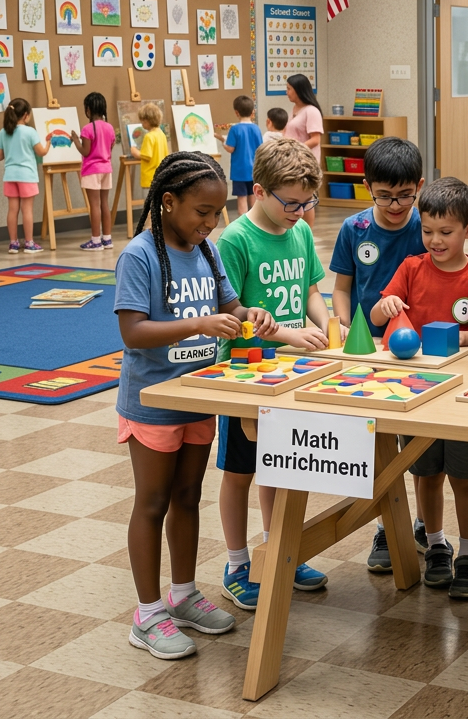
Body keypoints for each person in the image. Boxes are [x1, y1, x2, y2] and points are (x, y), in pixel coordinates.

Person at [115, 151, 276, 660]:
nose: (211, 223)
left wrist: (252, 314)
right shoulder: (139, 255)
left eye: (216, 213)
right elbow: (133, 331)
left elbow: (230, 306)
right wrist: (197, 325)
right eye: (201, 213)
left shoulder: (207, 252)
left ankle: (182, 595)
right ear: (168, 202)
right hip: (152, 405)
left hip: (198, 399)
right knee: (153, 502)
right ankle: (147, 613)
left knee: (187, 498)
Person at [215, 138, 334, 610]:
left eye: (308, 203)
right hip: (245, 372)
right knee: (241, 471)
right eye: (291, 203)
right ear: (260, 190)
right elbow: (232, 314)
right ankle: (237, 563)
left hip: (294, 369)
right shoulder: (236, 240)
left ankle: (278, 549)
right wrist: (287, 334)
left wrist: (326, 325)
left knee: (282, 465)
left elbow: (310, 288)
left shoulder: (300, 230)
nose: (300, 212)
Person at [372, 177, 468, 598]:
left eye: (446, 232)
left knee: (463, 475)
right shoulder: (411, 268)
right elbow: (380, 311)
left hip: (461, 394)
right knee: (425, 473)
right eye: (427, 231)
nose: (435, 241)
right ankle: (437, 544)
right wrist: (385, 307)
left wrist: (463, 336)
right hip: (416, 391)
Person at [330, 136, 427, 570]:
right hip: (368, 351)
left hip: (415, 351)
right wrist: (347, 327)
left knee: (419, 446)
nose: (395, 205)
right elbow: (341, 289)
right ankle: (387, 527)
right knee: (376, 442)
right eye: (385, 195)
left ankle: (422, 524)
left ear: (419, 186)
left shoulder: (426, 227)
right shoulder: (355, 230)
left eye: (405, 196)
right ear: (367, 186)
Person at [0, 97, 50, 253]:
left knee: (13, 210)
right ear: (26, 115)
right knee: (27, 210)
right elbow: (41, 152)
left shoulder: (3, 132)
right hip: (27, 176)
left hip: (10, 176)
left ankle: (13, 243)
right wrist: (48, 143)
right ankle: (29, 243)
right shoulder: (30, 131)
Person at [70, 91, 115, 251]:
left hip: (92, 170)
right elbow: (110, 147)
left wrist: (76, 141)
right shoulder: (109, 127)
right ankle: (107, 239)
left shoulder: (87, 128)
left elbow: (86, 151)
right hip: (106, 169)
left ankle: (95, 241)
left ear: (88, 110)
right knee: (104, 204)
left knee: (94, 205)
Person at [284, 74, 323, 224]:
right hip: (291, 159)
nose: (287, 92)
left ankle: (308, 232)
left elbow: (315, 139)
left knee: (307, 198)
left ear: (298, 90)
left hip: (305, 161)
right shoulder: (294, 109)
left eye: (289, 89)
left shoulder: (312, 111)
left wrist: (296, 148)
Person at [224, 95, 263, 215]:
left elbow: (230, 148)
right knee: (254, 197)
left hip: (239, 172)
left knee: (241, 199)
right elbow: (261, 148)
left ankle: (244, 224)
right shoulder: (256, 129)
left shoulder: (235, 129)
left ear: (237, 112)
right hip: (254, 170)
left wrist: (224, 144)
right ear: (252, 112)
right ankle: (256, 221)